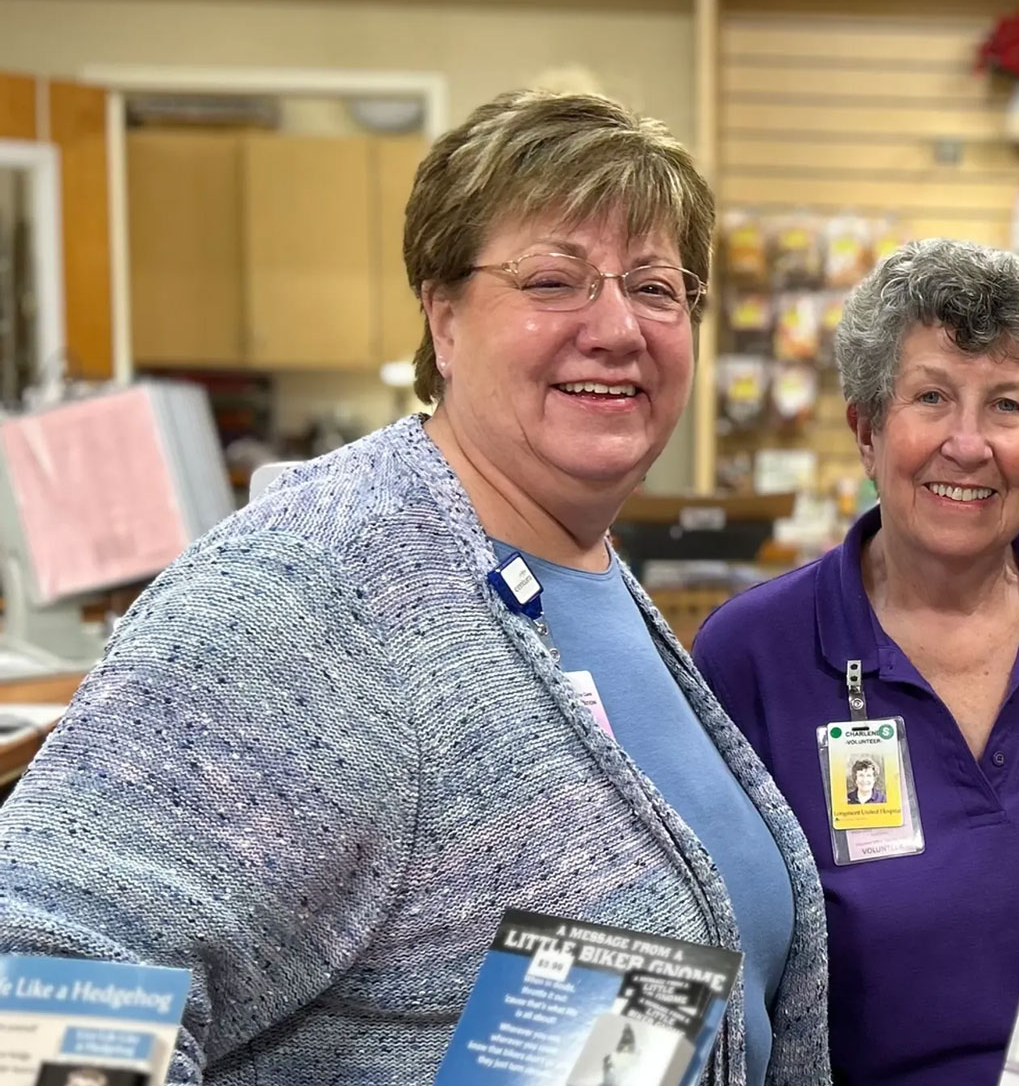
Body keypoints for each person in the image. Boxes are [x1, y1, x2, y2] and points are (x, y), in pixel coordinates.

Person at [0, 90, 829, 1086]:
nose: (617, 327)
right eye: (553, 279)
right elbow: (36, 1001)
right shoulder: (309, 593)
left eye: (656, 287)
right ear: (443, 319)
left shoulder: (583, 572)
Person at [693, 238, 1019, 1086]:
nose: (969, 443)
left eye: (1008, 405)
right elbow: (722, 968)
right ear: (867, 430)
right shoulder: (753, 652)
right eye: (932, 397)